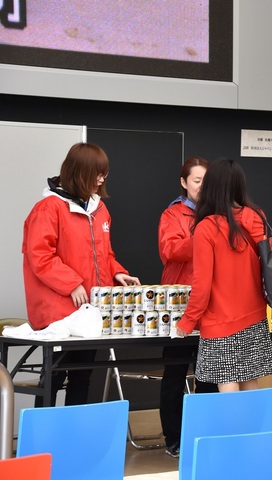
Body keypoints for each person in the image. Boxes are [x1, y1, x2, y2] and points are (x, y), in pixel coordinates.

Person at [22, 142, 140, 406]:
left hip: (89, 310)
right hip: (58, 312)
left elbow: (105, 255)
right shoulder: (48, 208)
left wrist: (118, 273)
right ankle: (44, 431)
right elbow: (40, 256)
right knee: (53, 377)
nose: (102, 178)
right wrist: (72, 283)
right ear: (80, 172)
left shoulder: (100, 210)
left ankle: (73, 432)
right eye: (98, 172)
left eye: (105, 173)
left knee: (82, 376)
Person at [174, 158, 272, 394]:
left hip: (219, 321)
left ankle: (232, 422)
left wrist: (187, 321)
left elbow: (202, 284)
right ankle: (255, 421)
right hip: (255, 315)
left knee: (226, 380)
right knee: (250, 380)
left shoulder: (207, 228)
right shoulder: (257, 217)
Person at [157, 156, 218, 458]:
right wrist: (204, 238)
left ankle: (203, 435)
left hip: (213, 305)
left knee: (209, 375)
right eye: (196, 181)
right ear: (184, 182)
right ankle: (174, 437)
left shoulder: (218, 212)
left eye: (206, 181)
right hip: (179, 305)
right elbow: (169, 250)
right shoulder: (173, 213)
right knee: (175, 373)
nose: (202, 187)